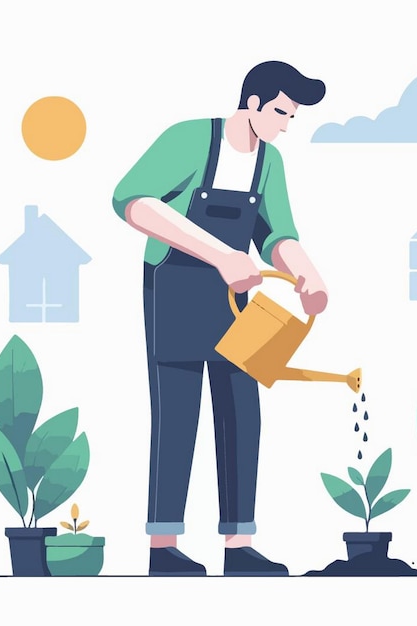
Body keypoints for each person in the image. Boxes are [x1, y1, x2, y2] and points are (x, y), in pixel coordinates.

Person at [112, 60, 328, 576]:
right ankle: (162, 548)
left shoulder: (269, 163)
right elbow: (132, 202)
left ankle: (239, 547)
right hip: (176, 290)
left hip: (239, 304)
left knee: (241, 414)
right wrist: (219, 254)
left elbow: (277, 235)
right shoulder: (189, 140)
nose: (284, 124)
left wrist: (306, 273)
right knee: (176, 416)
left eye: (292, 117)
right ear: (251, 102)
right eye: (280, 111)